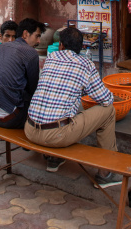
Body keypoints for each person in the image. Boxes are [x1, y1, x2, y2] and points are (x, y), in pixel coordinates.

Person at [25, 26, 121, 188]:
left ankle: (53, 159)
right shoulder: (85, 64)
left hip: (30, 130)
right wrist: (114, 96)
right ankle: (105, 173)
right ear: (81, 47)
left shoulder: (51, 58)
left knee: (65, 103)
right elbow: (105, 100)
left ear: (61, 45)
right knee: (108, 111)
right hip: (57, 136)